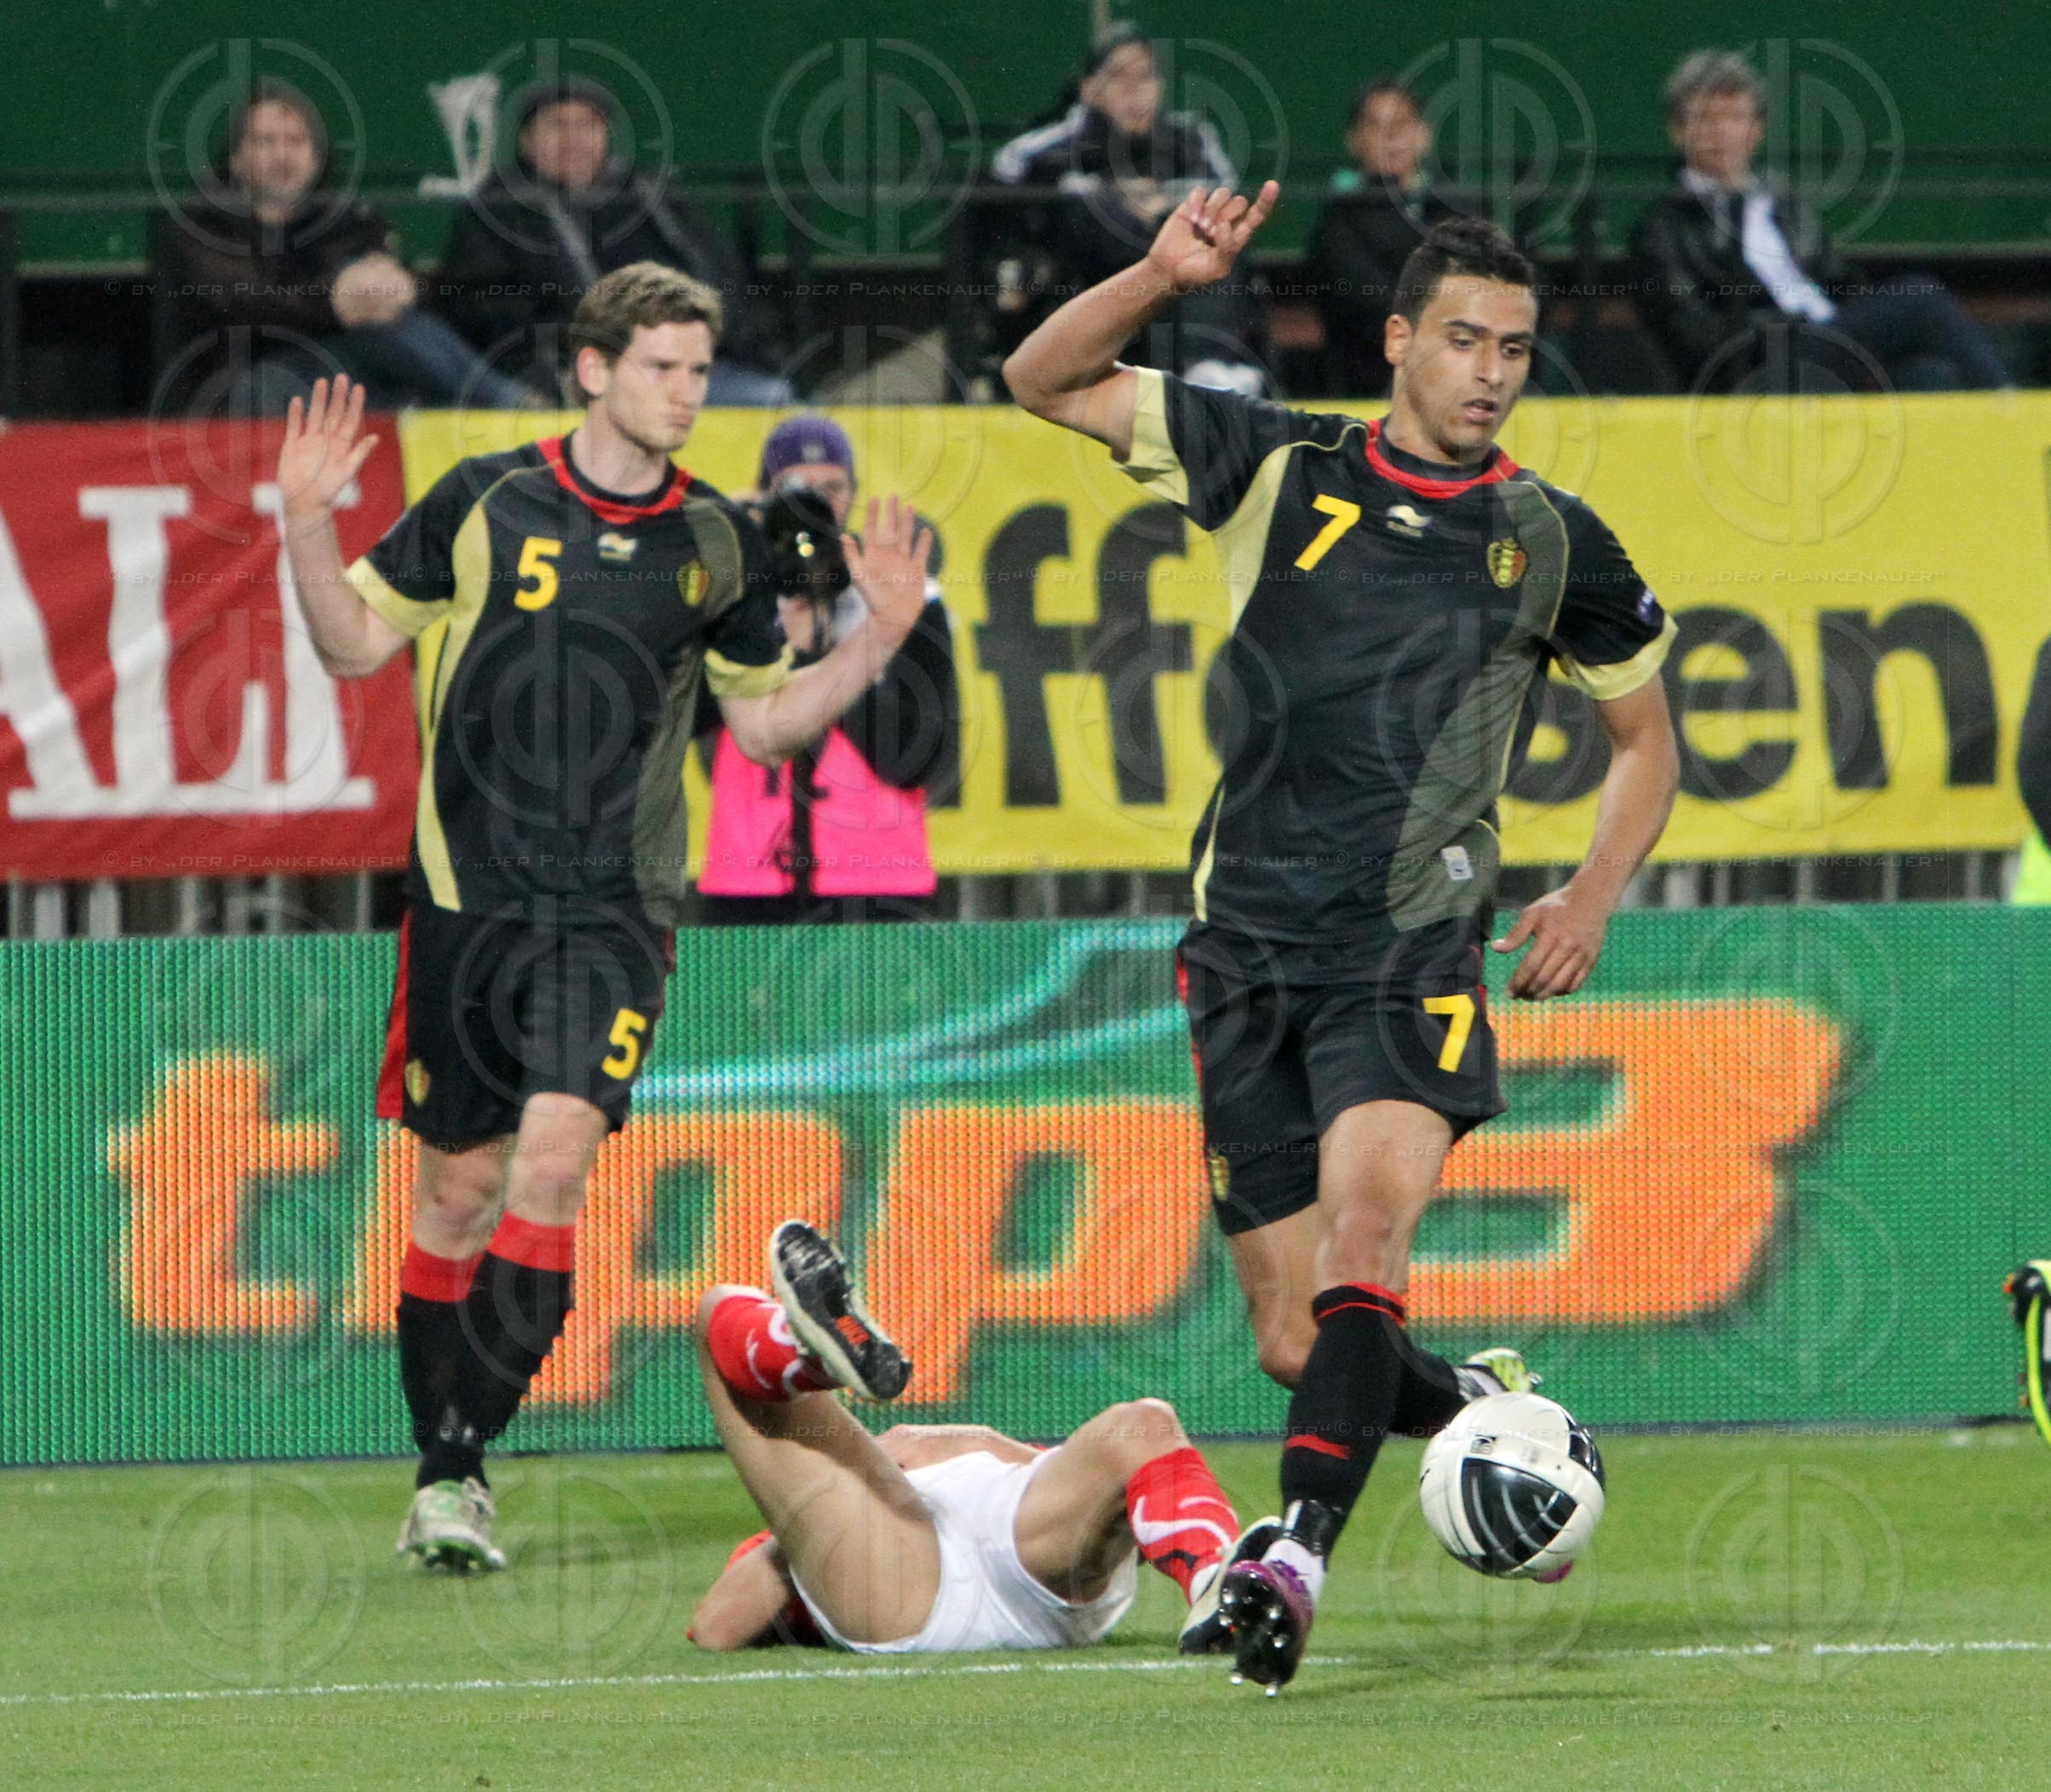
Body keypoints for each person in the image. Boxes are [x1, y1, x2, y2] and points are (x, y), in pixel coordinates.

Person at [1003, 188, 1680, 1689]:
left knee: (1363, 1248)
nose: (1490, 372)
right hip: (1242, 944)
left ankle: (1292, 1555)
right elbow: (1039, 378)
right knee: (1295, 1341)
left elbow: (1645, 740)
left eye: (1514, 347)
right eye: (1463, 339)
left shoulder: (1547, 535)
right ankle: (1483, 1412)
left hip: (1408, 945)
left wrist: (1587, 894)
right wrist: (1158, 275)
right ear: (1397, 342)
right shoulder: (1273, 460)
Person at [273, 261, 933, 1570]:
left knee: (553, 1164)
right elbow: (353, 645)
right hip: (465, 904)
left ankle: (455, 1470)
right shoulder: (484, 501)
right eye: (661, 368)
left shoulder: (718, 541)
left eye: (700, 370)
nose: (687, 393)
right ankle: (447, 1466)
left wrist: (876, 641)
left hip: (615, 914)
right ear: (593, 370)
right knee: (457, 1192)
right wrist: (303, 521)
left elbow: (761, 726)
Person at [688, 1220, 1266, 1656]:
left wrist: (971, 1442)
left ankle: (1223, 1586)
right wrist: (796, 1533)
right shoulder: (818, 1520)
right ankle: (811, 1355)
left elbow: (1132, 1524)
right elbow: (716, 1627)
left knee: (1144, 1425)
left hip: (1018, 1530)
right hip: (915, 1583)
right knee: (716, 1310)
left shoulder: (941, 1452)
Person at [696, 414, 957, 922]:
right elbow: (689, 718)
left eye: (832, 488)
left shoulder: (905, 596)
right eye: (795, 488)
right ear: (764, 495)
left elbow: (914, 759)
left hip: (878, 880)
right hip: (749, 879)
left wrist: (825, 647)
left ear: (854, 494)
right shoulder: (738, 594)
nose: (815, 505)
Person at [1629, 50, 2010, 393]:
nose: (1722, 132)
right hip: (1767, 361)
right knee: (1919, 296)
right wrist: (1786, 326)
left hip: (1828, 339)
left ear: (1756, 130)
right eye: (1706, 119)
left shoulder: (1780, 203)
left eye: (1735, 117)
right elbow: (1695, 335)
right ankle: (2016, 413)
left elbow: (1839, 280)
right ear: (1678, 132)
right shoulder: (1662, 229)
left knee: (1929, 378)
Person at [156, 80, 540, 415]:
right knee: (277, 383)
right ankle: (508, 405)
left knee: (395, 330)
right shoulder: (205, 225)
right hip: (242, 376)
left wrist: (402, 287)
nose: (283, 155)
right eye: (265, 142)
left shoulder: (351, 220)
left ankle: (513, 407)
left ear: (316, 158)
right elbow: (243, 302)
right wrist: (336, 300)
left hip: (342, 363)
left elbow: (399, 287)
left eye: (296, 141)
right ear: (237, 160)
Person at [436, 76, 793, 406]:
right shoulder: (498, 210)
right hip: (579, 376)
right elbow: (482, 311)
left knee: (776, 400)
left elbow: (721, 280)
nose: (574, 139)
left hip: (689, 364)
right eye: (557, 125)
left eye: (588, 125)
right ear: (526, 141)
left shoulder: (651, 196)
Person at [991, 22, 1263, 395]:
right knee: (1087, 212)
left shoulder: (1190, 138)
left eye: (1146, 77)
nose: (1135, 91)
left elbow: (1227, 194)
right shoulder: (1045, 149)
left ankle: (1207, 371)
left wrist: (1163, 205)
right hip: (1089, 281)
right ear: (1088, 88)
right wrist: (1114, 200)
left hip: (1176, 279)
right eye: (1119, 77)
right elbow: (1002, 190)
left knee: (1211, 236)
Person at [1303, 81, 1458, 398]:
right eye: (1377, 126)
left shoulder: (1456, 208)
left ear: (1423, 135)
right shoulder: (1337, 220)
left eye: (1402, 124)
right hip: (1374, 378)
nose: (1392, 137)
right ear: (1354, 140)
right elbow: (1365, 302)